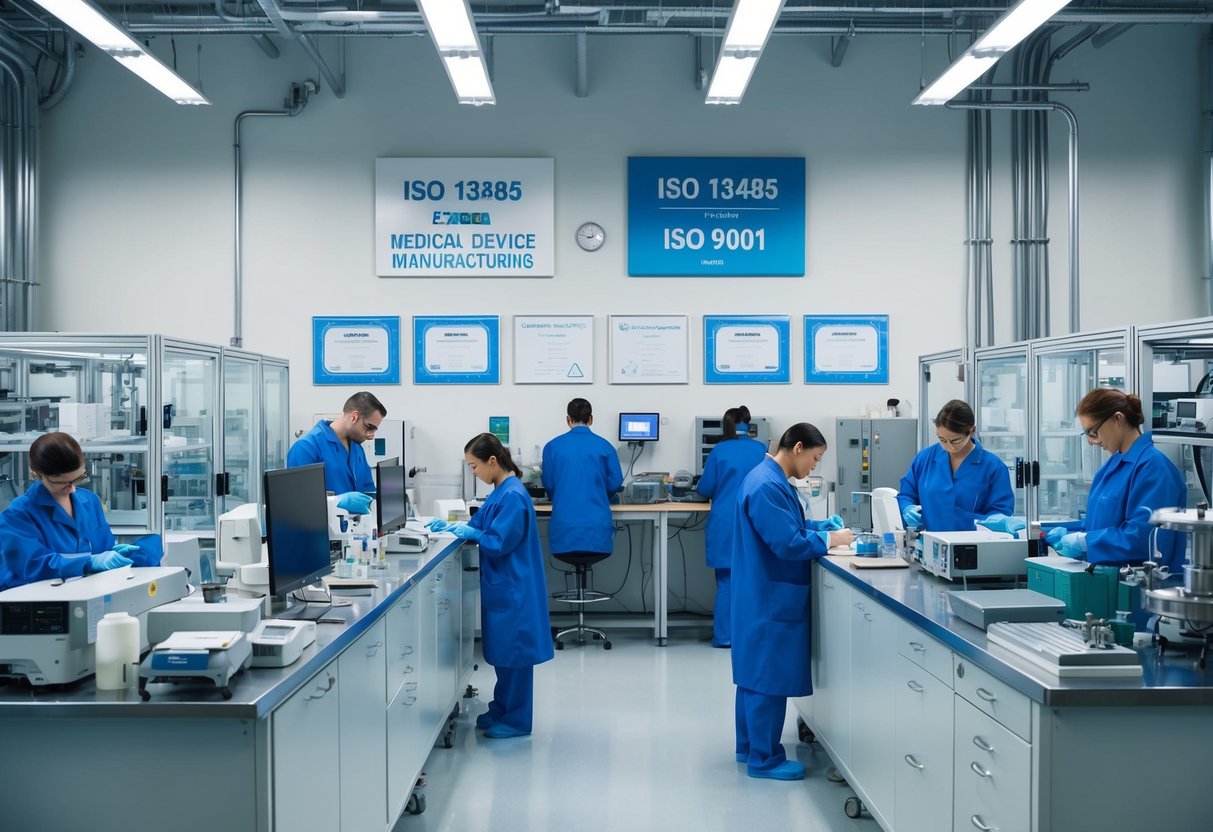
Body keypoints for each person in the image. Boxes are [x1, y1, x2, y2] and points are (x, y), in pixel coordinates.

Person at [731, 423, 855, 781]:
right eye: (815, 459)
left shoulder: (767, 478)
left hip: (760, 592)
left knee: (753, 677)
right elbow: (787, 543)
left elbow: (788, 526)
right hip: (769, 597)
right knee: (768, 678)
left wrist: (818, 527)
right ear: (798, 448)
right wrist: (830, 539)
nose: (815, 467)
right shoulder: (768, 485)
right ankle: (764, 759)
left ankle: (748, 746)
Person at [427, 433, 554, 738]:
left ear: (492, 461)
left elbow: (497, 541)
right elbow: (480, 523)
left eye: (474, 466)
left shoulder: (513, 495)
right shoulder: (501, 490)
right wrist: (457, 526)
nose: (474, 472)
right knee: (503, 657)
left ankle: (517, 720)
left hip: (515, 588)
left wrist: (466, 532)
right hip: (503, 586)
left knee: (516, 658)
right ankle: (501, 709)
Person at [1045, 389, 1187, 571]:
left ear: (1117, 419)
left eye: (1093, 431)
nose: (1091, 441)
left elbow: (1144, 539)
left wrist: (1084, 541)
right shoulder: (1112, 465)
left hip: (1142, 587)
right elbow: (1098, 525)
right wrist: (1051, 530)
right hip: (1107, 582)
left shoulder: (1154, 469)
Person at [0, 432, 161, 590]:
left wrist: (113, 554)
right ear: (36, 474)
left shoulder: (89, 501)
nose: (71, 488)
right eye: (61, 482)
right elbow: (34, 564)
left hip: (90, 593)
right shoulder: (18, 514)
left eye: (77, 478)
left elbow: (102, 548)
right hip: (38, 601)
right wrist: (89, 562)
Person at [695, 405, 768, 648]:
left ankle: (725, 637)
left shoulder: (720, 451)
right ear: (750, 424)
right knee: (755, 581)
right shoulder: (761, 450)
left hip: (726, 523)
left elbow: (705, 489)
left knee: (726, 582)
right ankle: (751, 637)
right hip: (756, 520)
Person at [897, 399, 1016, 533]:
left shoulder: (993, 467)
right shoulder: (925, 459)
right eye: (942, 440)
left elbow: (1001, 511)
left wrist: (995, 521)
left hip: (974, 545)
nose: (948, 446)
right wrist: (907, 508)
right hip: (931, 543)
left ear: (972, 431)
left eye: (955, 440)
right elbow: (906, 494)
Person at [541, 397, 623, 561]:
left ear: (567, 419)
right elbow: (615, 482)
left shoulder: (552, 447)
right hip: (597, 533)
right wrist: (600, 494)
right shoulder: (605, 446)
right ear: (591, 419)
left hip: (564, 533)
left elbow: (549, 484)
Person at [287, 391, 385, 515]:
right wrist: (337, 501)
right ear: (354, 417)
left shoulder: (356, 448)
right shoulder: (306, 448)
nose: (371, 436)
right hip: (320, 531)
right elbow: (300, 503)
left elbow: (368, 490)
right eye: (369, 427)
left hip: (356, 530)